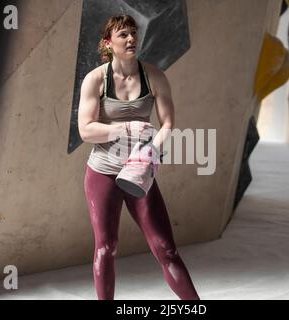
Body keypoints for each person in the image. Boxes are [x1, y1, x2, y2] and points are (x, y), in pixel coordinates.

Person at [78, 14, 200, 300]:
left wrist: (150, 152)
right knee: (106, 248)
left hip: (138, 172)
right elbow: (85, 130)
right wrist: (126, 128)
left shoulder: (154, 76)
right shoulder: (95, 79)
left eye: (134, 33)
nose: (132, 38)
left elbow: (168, 123)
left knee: (166, 248)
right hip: (103, 173)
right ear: (108, 43)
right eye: (123, 35)